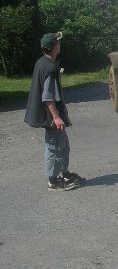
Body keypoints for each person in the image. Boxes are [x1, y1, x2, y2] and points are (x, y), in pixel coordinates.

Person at [24, 32, 84, 191]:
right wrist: (56, 117)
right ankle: (53, 181)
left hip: (53, 112)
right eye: (58, 42)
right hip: (50, 115)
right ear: (54, 47)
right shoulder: (49, 68)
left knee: (63, 145)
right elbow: (47, 97)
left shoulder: (43, 62)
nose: (60, 44)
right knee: (54, 147)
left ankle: (65, 174)